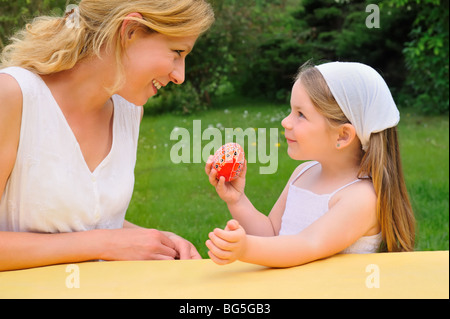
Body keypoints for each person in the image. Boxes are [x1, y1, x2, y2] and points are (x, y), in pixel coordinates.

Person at [0, 0, 214, 271]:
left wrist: (157, 241)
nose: (180, 75)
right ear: (130, 31)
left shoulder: (130, 112)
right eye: (176, 52)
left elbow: (86, 219)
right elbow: (98, 238)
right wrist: (103, 243)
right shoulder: (13, 95)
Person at [205, 61, 416, 268]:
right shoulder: (303, 173)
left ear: (342, 136)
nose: (285, 122)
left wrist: (246, 248)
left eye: (301, 115)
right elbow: (272, 235)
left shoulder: (361, 197)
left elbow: (307, 244)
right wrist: (237, 200)